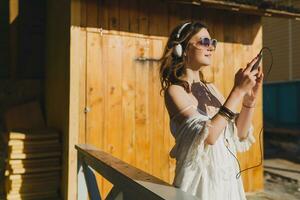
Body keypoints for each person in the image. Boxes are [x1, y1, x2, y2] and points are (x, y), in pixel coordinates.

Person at [159, 21, 264, 199]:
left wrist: (249, 100)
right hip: (200, 183)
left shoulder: (212, 89)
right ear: (182, 49)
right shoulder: (174, 91)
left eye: (212, 43)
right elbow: (208, 136)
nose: (211, 47)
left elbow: (239, 133)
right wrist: (237, 91)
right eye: (204, 42)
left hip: (227, 178)